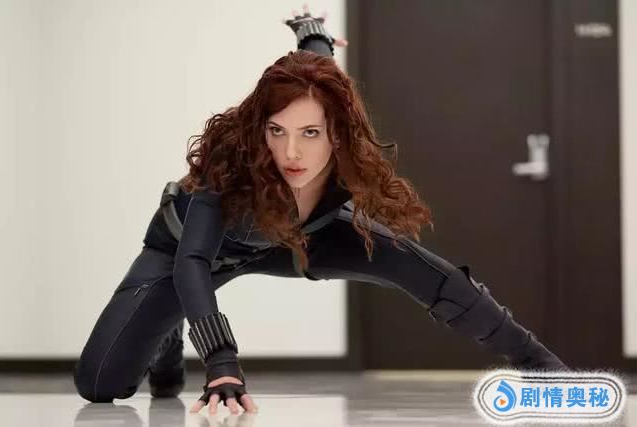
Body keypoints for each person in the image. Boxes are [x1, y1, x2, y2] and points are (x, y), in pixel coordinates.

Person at [73, 4, 568, 416]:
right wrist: (222, 363)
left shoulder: (333, 116)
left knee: (412, 262)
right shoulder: (230, 161)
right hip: (190, 249)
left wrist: (311, 29)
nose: (292, 154)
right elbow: (193, 262)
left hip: (301, 238)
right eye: (277, 131)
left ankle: (546, 369)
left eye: (310, 133)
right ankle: (167, 336)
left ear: (337, 131)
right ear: (260, 127)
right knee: (99, 384)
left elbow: (316, 57)